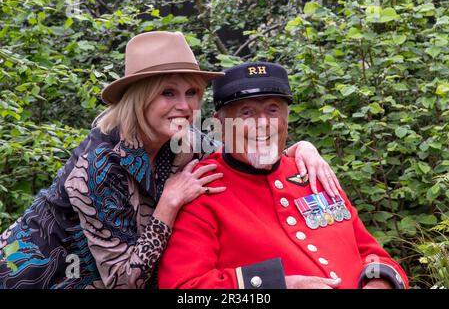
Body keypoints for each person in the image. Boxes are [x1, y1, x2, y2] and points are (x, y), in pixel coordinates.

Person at [0, 32, 339, 289]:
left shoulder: (183, 141)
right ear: (140, 98)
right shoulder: (98, 166)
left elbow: (244, 151)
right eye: (168, 92)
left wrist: (298, 150)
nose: (185, 106)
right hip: (36, 273)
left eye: (192, 93)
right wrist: (169, 204)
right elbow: (123, 281)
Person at [158, 61, 409, 289]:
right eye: (247, 113)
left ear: (287, 119)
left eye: (273, 110)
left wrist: (379, 283)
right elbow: (184, 289)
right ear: (221, 124)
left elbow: (373, 254)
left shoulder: (312, 173)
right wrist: (280, 285)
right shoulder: (202, 189)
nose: (264, 124)